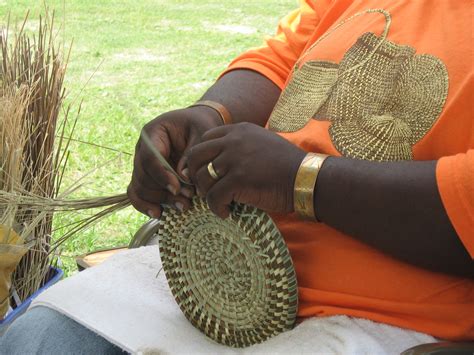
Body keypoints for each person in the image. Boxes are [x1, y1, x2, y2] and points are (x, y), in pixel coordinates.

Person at [1, 0, 473, 353]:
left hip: (386, 320)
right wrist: (209, 114)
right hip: (213, 273)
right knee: (36, 341)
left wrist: (300, 180)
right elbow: (282, 58)